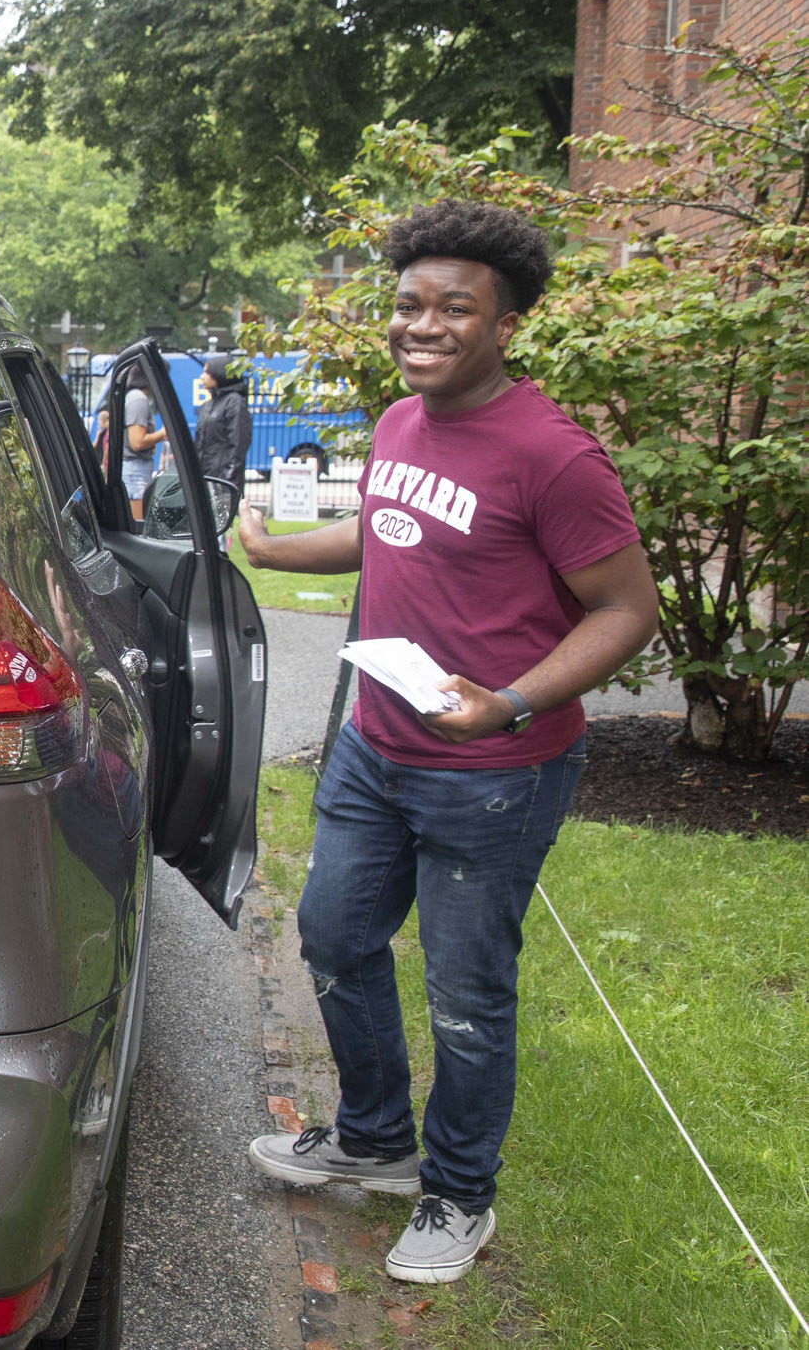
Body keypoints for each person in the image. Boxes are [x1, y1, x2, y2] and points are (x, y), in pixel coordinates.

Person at [234, 200, 658, 1286]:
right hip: (375, 746)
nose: (420, 324)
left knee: (468, 993)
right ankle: (375, 1138)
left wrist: (511, 699)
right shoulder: (395, 425)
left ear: (505, 321)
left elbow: (625, 610)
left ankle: (459, 1189)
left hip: (494, 771)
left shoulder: (551, 455)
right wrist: (276, 544)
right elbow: (381, 529)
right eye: (408, 303)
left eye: (453, 307)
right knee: (332, 937)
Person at [195, 352, 252, 501]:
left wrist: (229, 482)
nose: (202, 376)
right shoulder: (207, 405)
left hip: (223, 480)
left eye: (207, 372)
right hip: (203, 478)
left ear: (219, 374)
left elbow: (238, 444)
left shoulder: (235, 402)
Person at [120, 373, 167, 520]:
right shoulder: (138, 399)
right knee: (138, 523)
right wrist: (163, 433)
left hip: (135, 468)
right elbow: (137, 442)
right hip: (136, 470)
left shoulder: (133, 397)